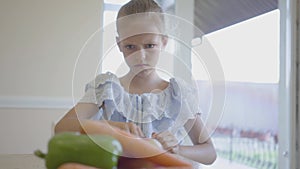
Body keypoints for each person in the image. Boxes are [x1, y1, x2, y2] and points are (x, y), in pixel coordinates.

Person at [55, 0, 216, 168]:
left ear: (164, 42)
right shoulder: (106, 88)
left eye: (149, 45)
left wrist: (177, 149)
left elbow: (209, 153)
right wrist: (110, 128)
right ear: (119, 45)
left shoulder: (178, 94)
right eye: (130, 46)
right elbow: (61, 127)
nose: (141, 56)